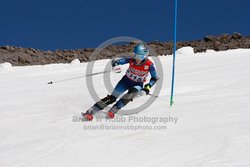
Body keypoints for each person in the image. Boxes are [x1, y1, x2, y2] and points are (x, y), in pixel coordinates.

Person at [82, 43, 158, 121]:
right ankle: (92, 110)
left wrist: (148, 87)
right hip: (125, 81)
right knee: (112, 98)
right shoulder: (132, 60)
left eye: (139, 56)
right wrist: (115, 65)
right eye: (135, 55)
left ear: (145, 56)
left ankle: (114, 109)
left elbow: (154, 77)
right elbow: (116, 61)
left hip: (137, 84)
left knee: (129, 96)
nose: (136, 58)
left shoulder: (149, 65)